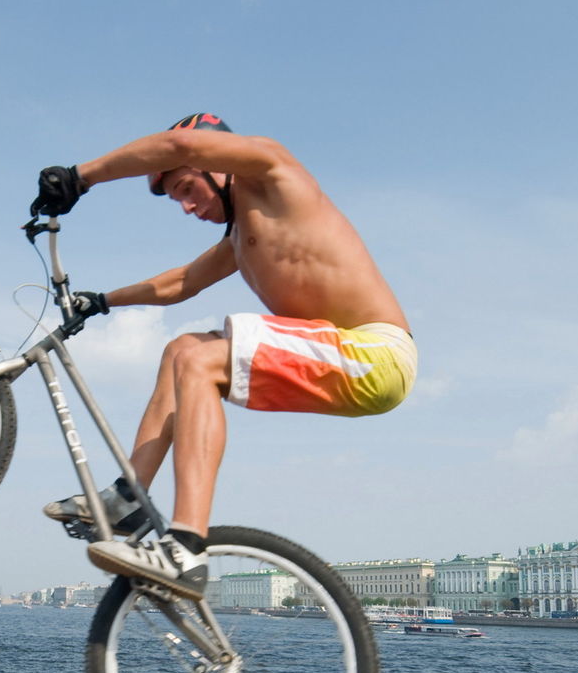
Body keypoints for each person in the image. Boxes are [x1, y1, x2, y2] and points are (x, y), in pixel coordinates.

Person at [30, 113, 416, 600]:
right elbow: (180, 283)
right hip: (343, 355)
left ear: (216, 162)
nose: (188, 207)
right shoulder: (239, 239)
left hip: (375, 353)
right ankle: (125, 500)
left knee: (200, 361)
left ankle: (186, 547)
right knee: (182, 349)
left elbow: (175, 144)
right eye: (178, 200)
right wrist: (103, 300)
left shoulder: (274, 171)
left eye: (188, 189)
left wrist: (80, 176)